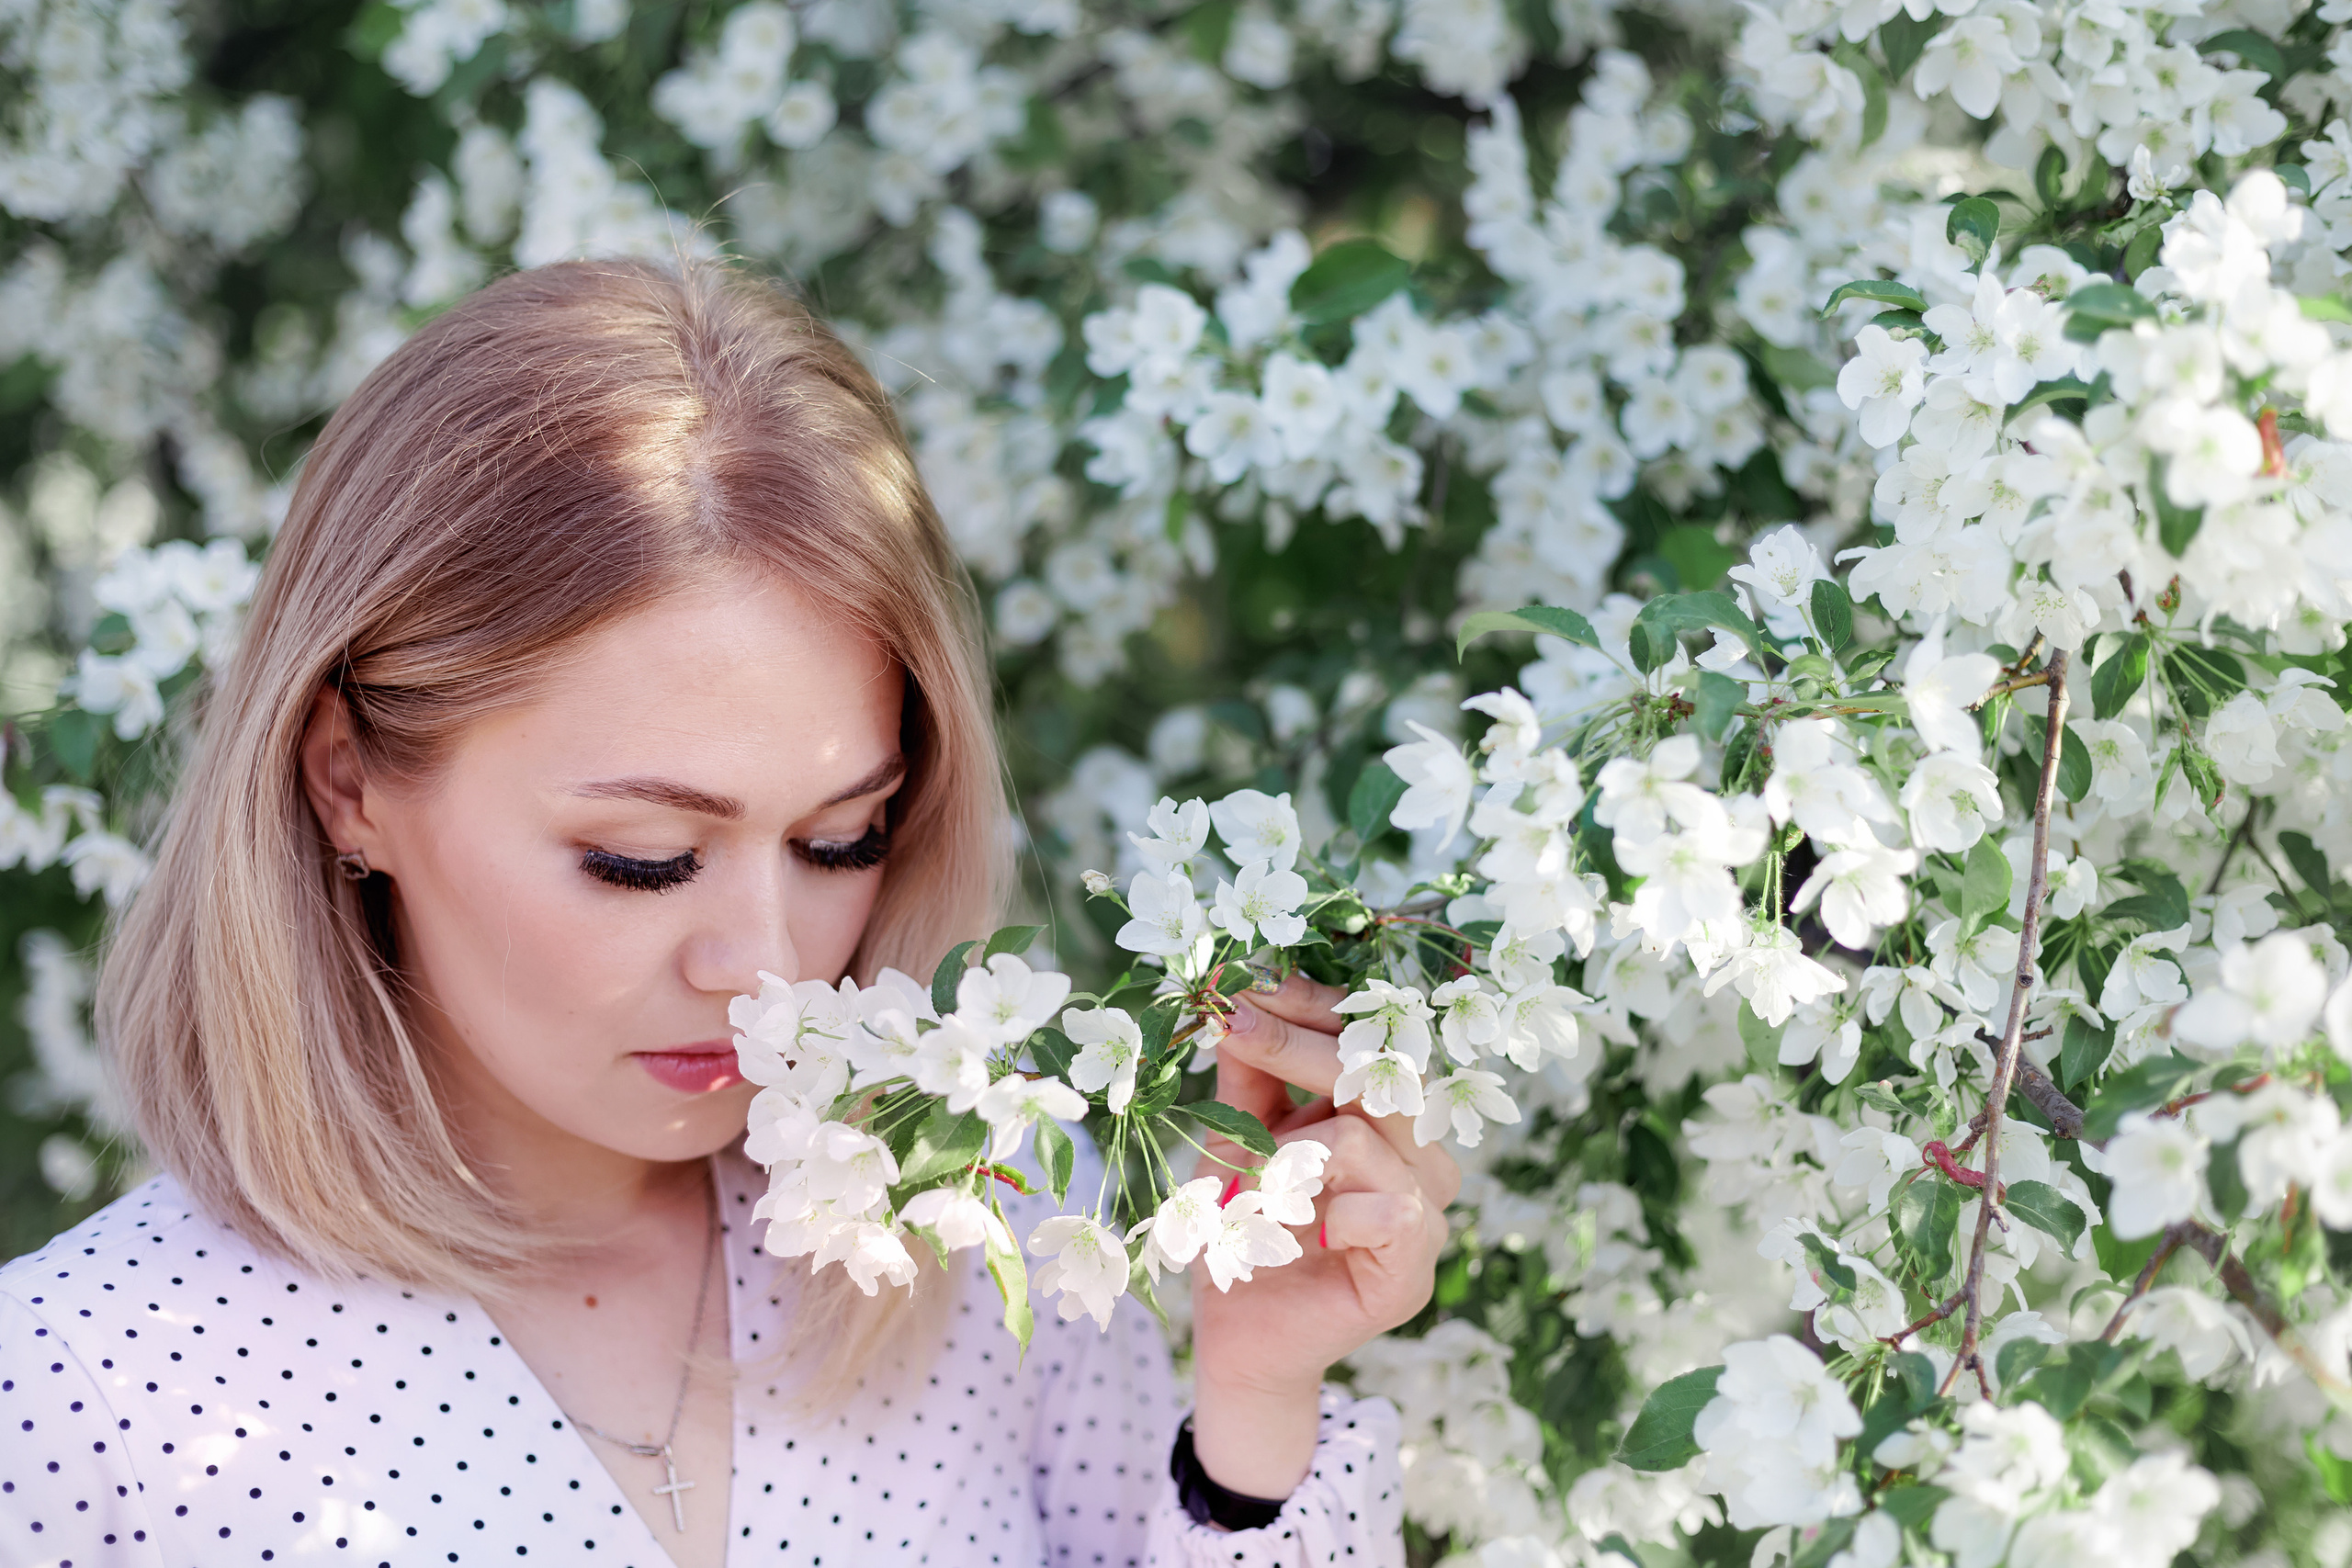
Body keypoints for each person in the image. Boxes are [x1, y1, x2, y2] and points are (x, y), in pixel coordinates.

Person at [0, 259, 1456, 1567]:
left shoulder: (988, 1243)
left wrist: (1255, 1402)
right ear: (346, 781)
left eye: (841, 841)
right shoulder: (89, 1390)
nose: (765, 969)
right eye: (640, 857)